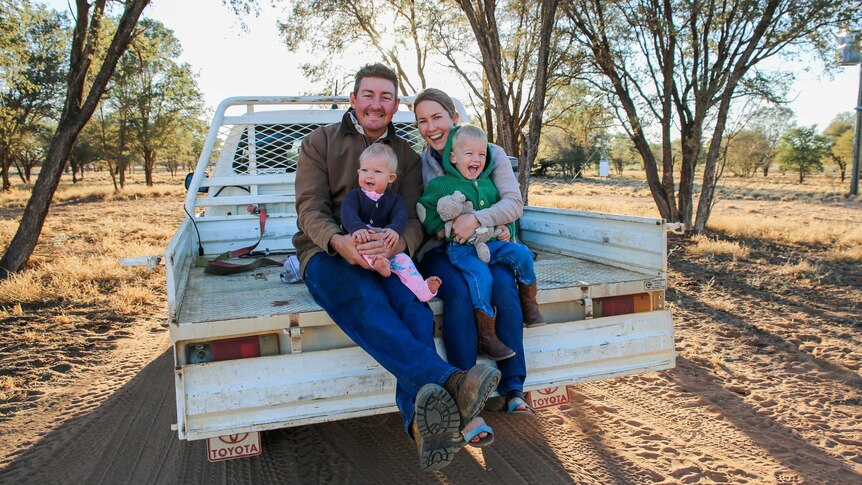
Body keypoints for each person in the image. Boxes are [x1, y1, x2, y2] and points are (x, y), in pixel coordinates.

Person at [293, 64, 499, 471]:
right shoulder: (320, 143)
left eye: (386, 97)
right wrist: (340, 242)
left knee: (415, 314)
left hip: (390, 256)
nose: (376, 104)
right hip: (330, 253)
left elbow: (413, 218)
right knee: (366, 301)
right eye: (368, 94)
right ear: (353, 100)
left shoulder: (405, 156)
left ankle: (421, 427)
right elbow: (309, 209)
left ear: (395, 105)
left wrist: (398, 243)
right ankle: (451, 382)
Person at [414, 88, 541, 419]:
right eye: (422, 121)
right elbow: (422, 215)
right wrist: (450, 229)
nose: (431, 127)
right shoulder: (422, 163)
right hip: (441, 248)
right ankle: (464, 388)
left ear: (454, 118)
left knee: (502, 284)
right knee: (457, 290)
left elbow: (512, 203)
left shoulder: (491, 153)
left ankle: (513, 387)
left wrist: (479, 221)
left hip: (487, 241)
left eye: (437, 117)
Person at [417, 124, 545, 359]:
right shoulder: (441, 185)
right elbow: (424, 210)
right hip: (462, 249)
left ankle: (530, 302)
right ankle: (487, 336)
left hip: (489, 243)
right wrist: (440, 231)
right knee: (481, 277)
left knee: (522, 254)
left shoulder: (487, 183)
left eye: (482, 154)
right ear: (453, 157)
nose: (477, 159)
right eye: (469, 154)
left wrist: (506, 228)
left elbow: (503, 209)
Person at [340, 143, 441, 302]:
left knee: (406, 263)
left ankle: (423, 290)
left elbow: (401, 217)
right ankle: (378, 263)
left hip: (388, 245)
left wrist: (394, 230)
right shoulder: (355, 196)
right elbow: (347, 213)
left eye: (377, 171)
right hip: (364, 242)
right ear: (359, 172)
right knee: (363, 241)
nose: (369, 175)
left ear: (391, 178)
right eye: (365, 170)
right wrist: (357, 228)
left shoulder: (394, 200)